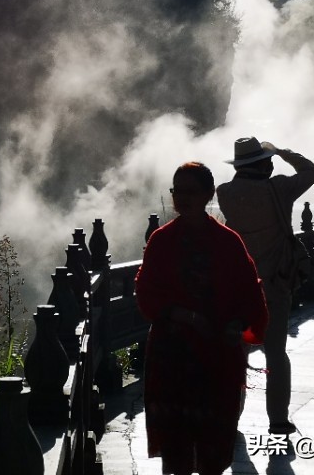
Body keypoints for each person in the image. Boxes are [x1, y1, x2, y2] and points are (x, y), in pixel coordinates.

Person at [136, 162, 268, 475]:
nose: (181, 198)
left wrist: (237, 324)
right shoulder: (162, 240)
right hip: (172, 358)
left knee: (214, 446)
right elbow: (146, 291)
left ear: (208, 193)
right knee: (177, 448)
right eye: (176, 191)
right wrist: (185, 315)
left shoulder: (227, 242)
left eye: (190, 191)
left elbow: (249, 292)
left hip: (216, 356)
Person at [216, 137, 314, 436]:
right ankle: (278, 419)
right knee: (276, 354)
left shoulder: (225, 193)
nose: (271, 164)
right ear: (261, 164)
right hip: (275, 284)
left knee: (238, 353)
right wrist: (283, 151)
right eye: (268, 160)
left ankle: (232, 416)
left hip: (240, 286)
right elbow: (312, 171)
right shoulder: (279, 189)